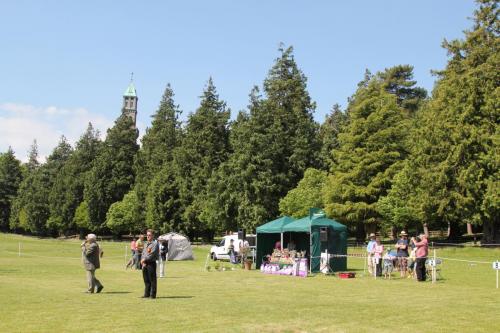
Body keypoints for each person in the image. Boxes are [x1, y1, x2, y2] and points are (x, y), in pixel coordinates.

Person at [141, 229, 159, 298]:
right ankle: (146, 294)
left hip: (151, 263)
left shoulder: (155, 244)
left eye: (149, 235)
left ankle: (152, 295)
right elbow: (143, 253)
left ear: (153, 236)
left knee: (152, 280)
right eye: (147, 235)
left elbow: (152, 254)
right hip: (145, 263)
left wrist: (144, 259)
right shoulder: (146, 243)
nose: (148, 236)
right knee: (146, 280)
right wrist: (142, 262)